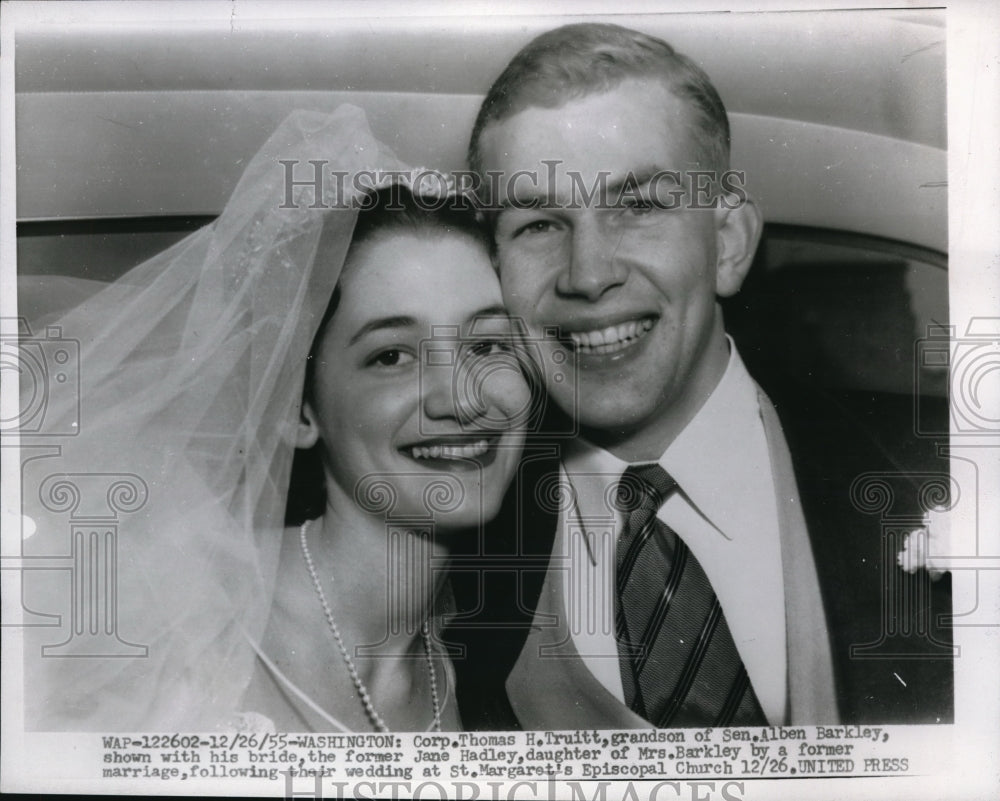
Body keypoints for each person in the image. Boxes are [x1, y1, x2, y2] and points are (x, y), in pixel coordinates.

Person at [448, 22, 953, 729]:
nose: (588, 275)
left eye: (638, 207)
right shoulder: (445, 544)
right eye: (538, 224)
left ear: (728, 244)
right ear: (494, 264)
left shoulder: (941, 469)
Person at [20, 106, 530, 732]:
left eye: (487, 345)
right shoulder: (176, 622)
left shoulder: (484, 670)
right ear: (297, 410)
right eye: (392, 356)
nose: (463, 399)